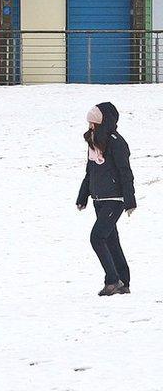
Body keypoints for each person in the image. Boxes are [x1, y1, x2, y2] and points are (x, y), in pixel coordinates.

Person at [76, 103, 136, 297]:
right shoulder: (94, 143)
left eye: (93, 123)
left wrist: (130, 199)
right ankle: (123, 281)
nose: (90, 127)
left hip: (115, 199)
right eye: (89, 123)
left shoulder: (116, 142)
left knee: (97, 237)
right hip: (98, 198)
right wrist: (83, 195)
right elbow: (89, 172)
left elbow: (125, 172)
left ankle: (112, 280)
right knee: (110, 239)